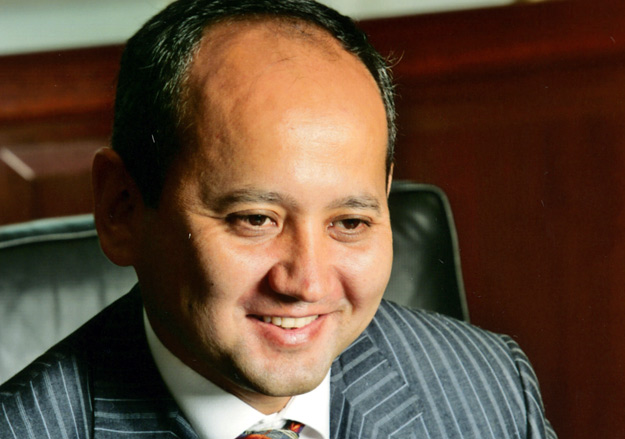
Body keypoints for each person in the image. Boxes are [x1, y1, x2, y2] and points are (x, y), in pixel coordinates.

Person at [0, 0, 557, 438]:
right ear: (120, 207)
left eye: (350, 222)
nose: (307, 284)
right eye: (255, 219)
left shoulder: (489, 386)